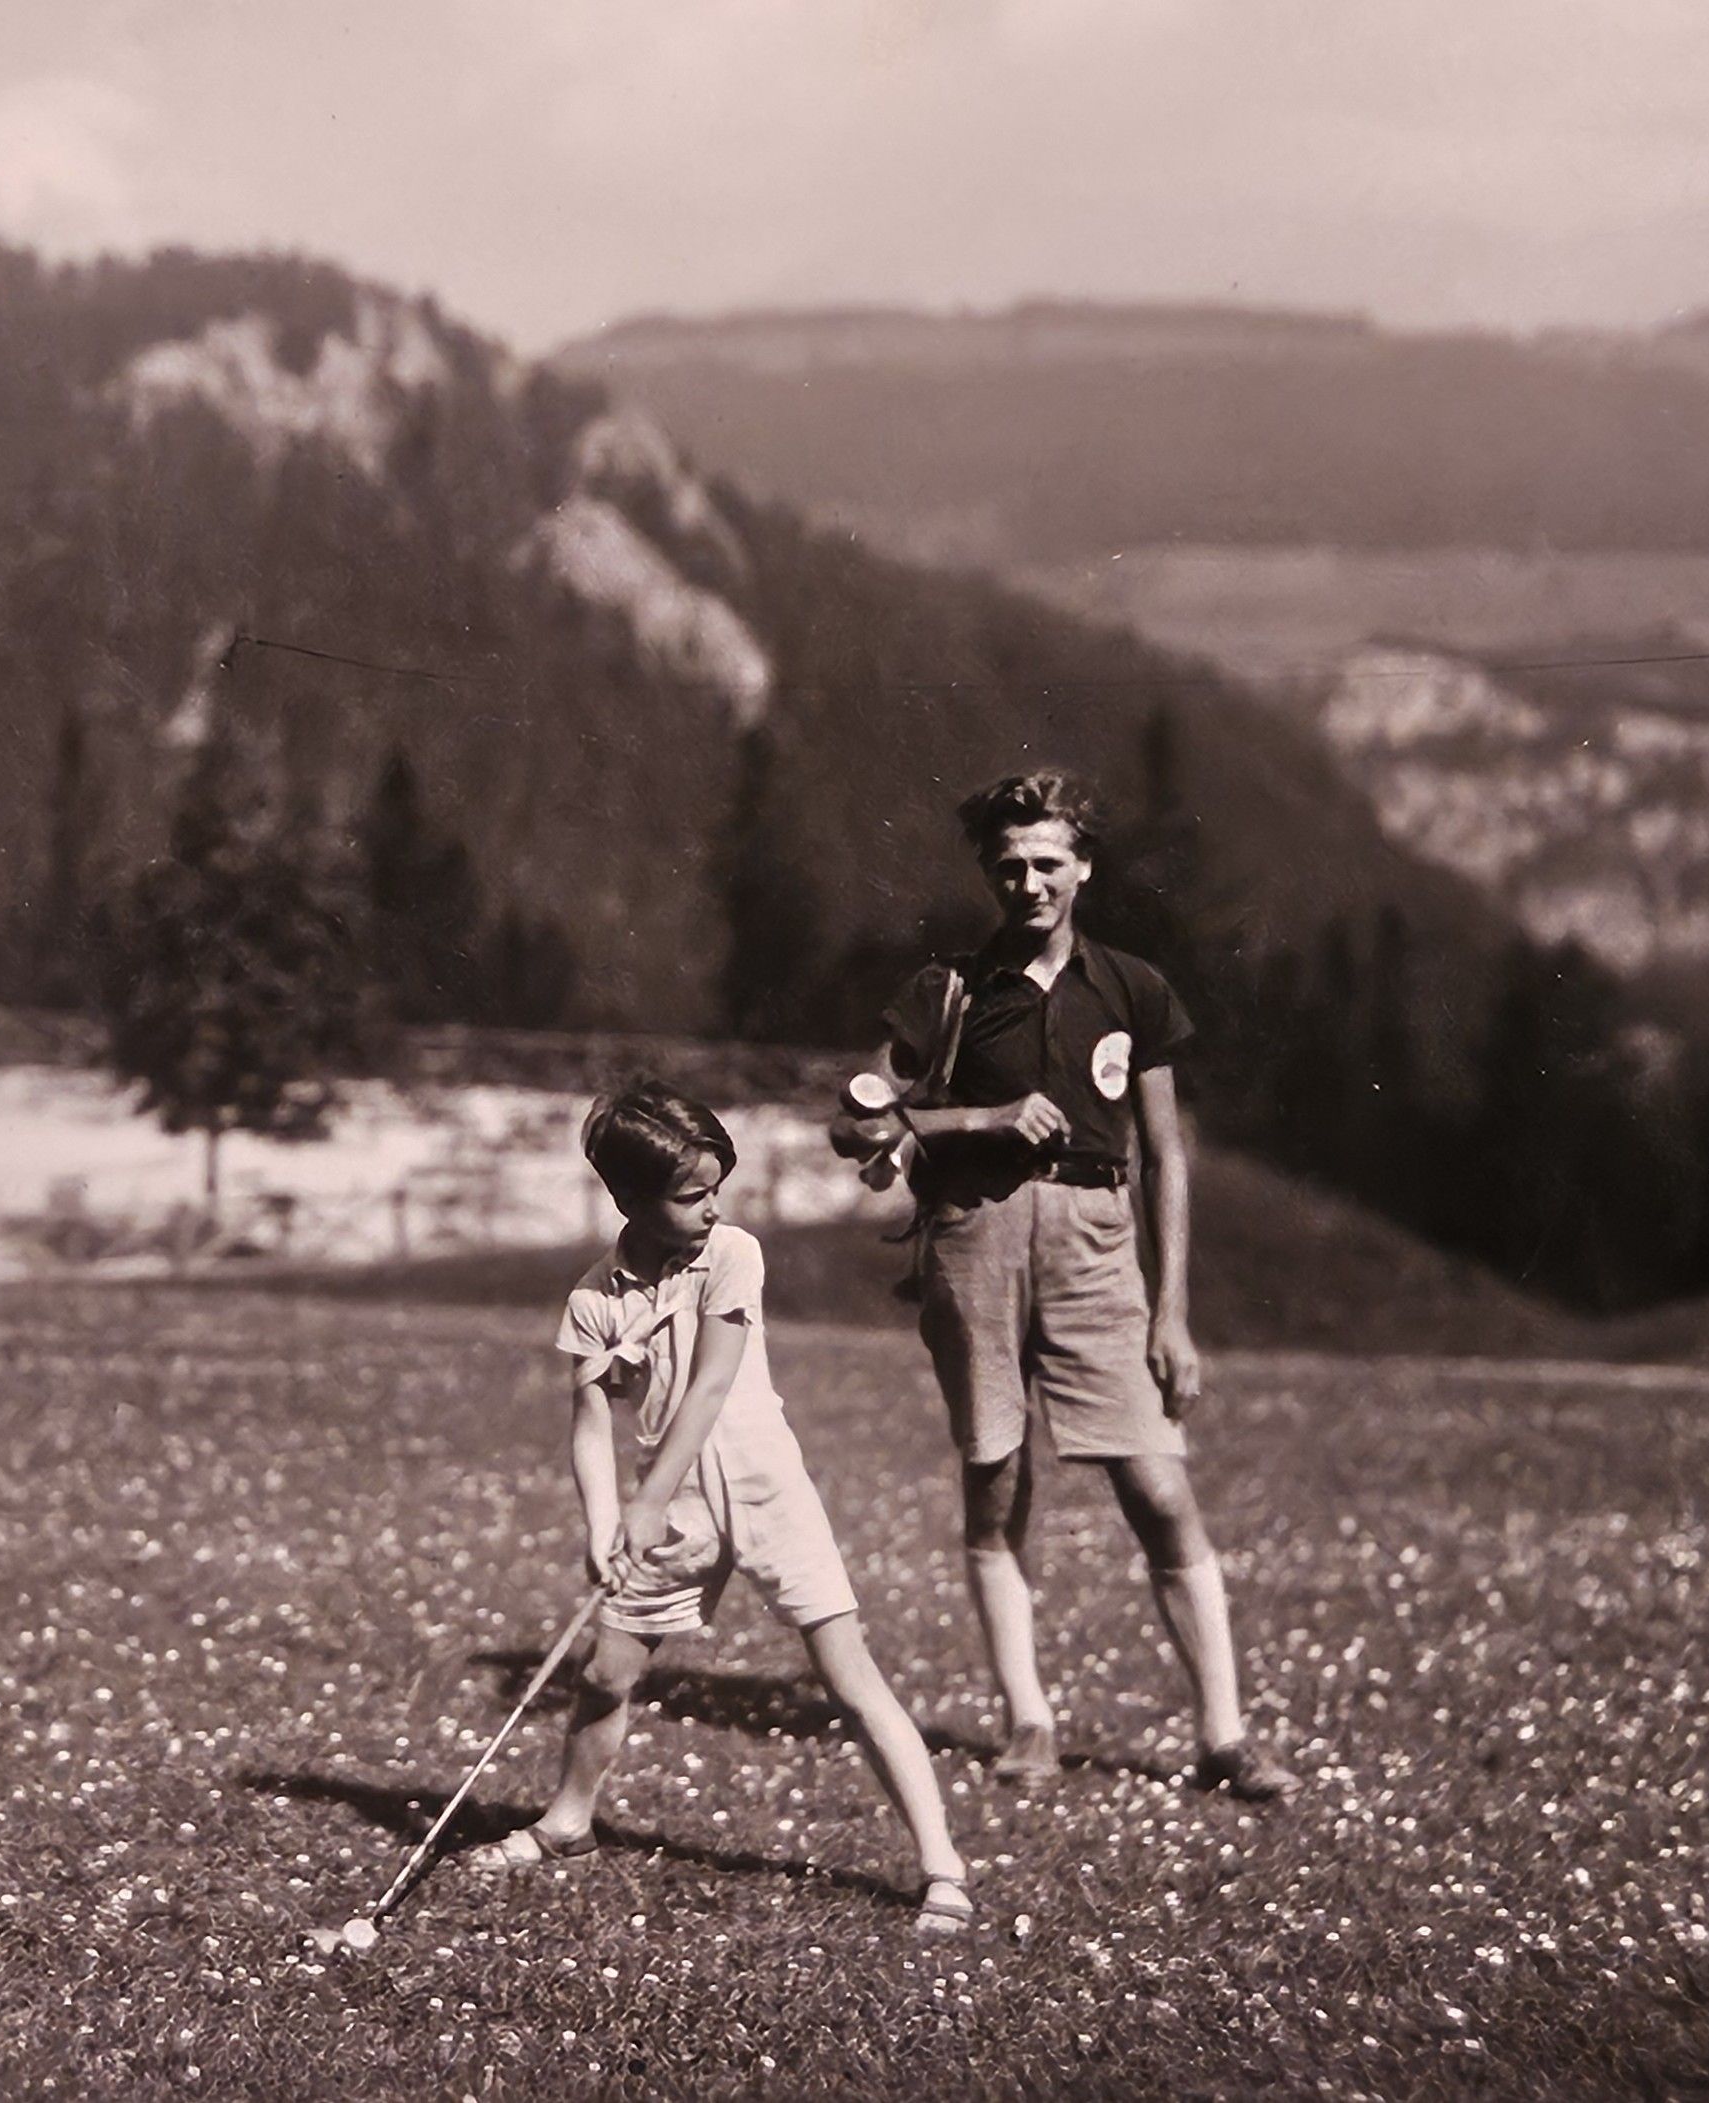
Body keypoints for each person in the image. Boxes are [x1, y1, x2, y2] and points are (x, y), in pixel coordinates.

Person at [831, 770, 1298, 1802]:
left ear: (1083, 867)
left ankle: (1223, 1737)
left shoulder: (1132, 988)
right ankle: (1027, 1720)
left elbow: (1167, 1158)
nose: (1028, 884)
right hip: (974, 1240)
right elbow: (854, 1126)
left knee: (1158, 1488)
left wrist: (1171, 1312)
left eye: (1047, 863)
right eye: (1008, 867)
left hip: (1095, 1245)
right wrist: (976, 1124)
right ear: (987, 874)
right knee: (997, 1483)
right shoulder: (947, 990)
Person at [469, 1079, 977, 1935]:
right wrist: (605, 1523)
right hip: (672, 1514)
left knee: (849, 1679)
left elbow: (707, 1387)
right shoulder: (594, 1299)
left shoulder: (733, 1254)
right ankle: (566, 1822)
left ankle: (942, 1868)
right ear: (630, 1197)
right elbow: (590, 1421)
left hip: (765, 1487)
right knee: (604, 1674)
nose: (711, 1208)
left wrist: (644, 1501)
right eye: (691, 1194)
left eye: (716, 1188)